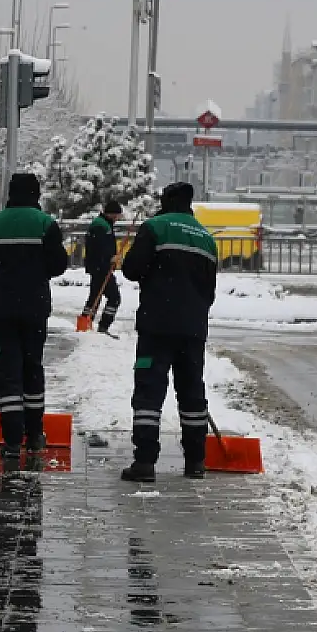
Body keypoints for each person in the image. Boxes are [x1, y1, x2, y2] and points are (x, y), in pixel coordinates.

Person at [119, 181, 218, 483]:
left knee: (149, 391)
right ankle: (196, 461)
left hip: (157, 325)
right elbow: (210, 291)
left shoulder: (155, 227)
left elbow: (132, 269)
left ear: (165, 201)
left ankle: (145, 462)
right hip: (193, 329)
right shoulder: (206, 238)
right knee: (191, 392)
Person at [0, 173, 69, 453]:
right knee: (32, 367)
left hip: (1, 309)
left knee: (7, 372)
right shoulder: (45, 224)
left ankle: (11, 439)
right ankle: (33, 434)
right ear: (36, 194)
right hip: (34, 307)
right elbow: (58, 265)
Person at [80, 200, 124, 335]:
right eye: (117, 215)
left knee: (95, 297)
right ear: (112, 214)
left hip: (99, 267)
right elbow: (98, 248)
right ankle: (102, 327)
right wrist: (110, 259)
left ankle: (83, 326)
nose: (118, 218)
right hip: (101, 268)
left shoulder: (103, 224)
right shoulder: (101, 226)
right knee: (114, 297)